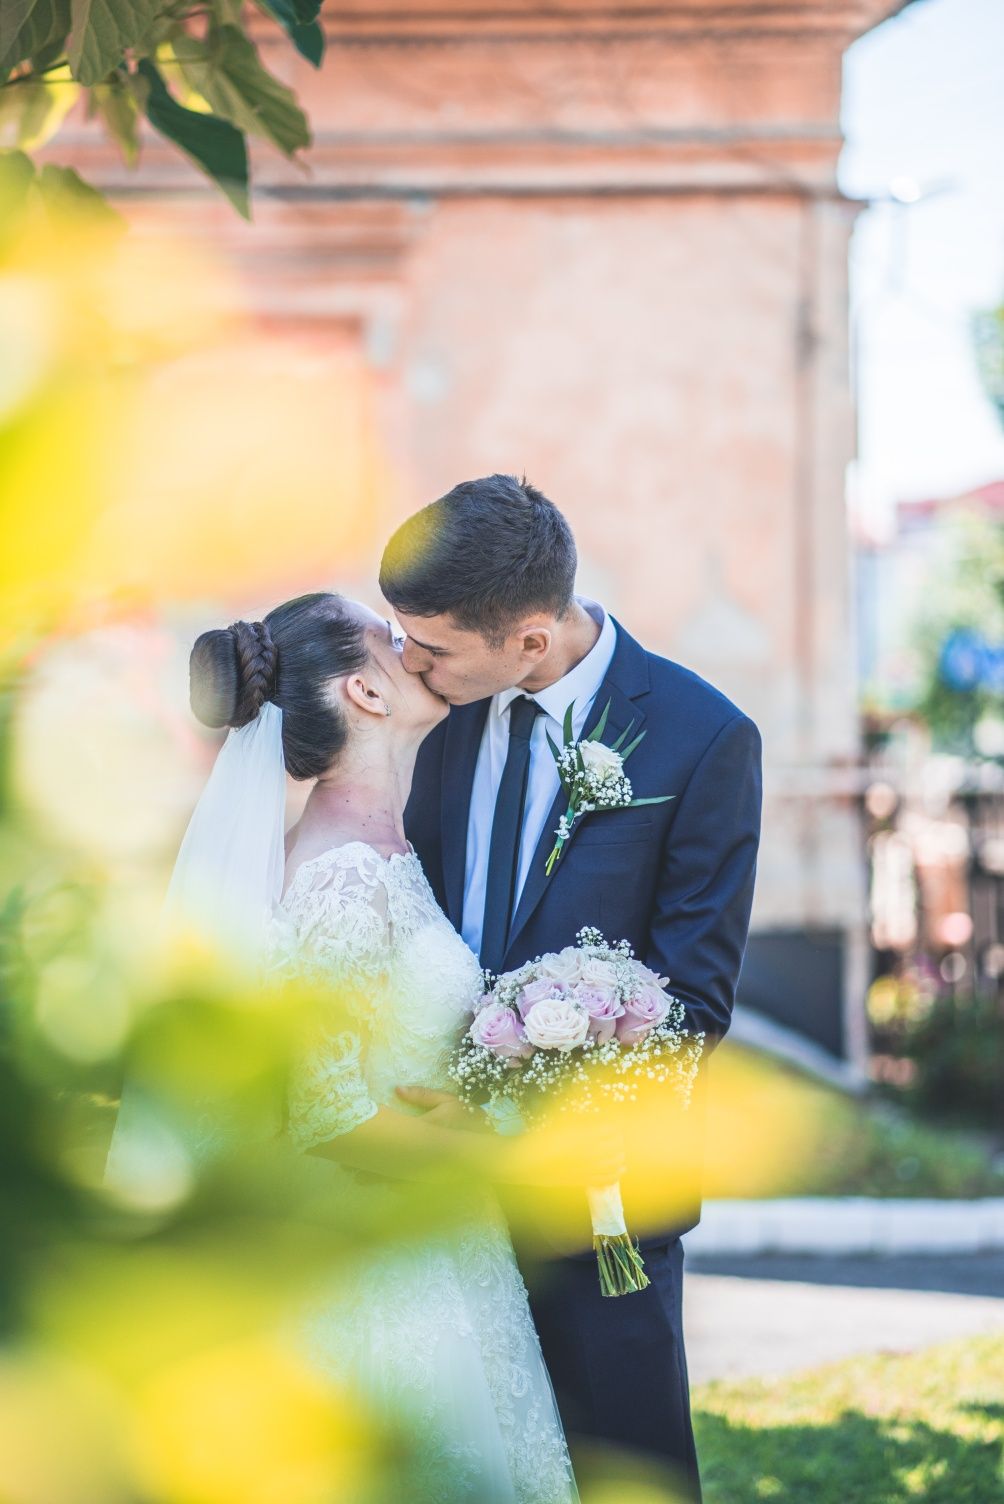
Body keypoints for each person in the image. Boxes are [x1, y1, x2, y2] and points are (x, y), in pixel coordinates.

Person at [109, 593, 582, 1504]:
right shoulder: (341, 880)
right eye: (388, 636)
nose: (412, 648)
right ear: (364, 691)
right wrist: (497, 1151)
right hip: (387, 1282)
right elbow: (328, 1117)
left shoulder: (386, 850)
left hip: (440, 1251)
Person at [380, 474, 763, 1501]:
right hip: (437, 1202)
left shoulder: (701, 737)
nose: (408, 661)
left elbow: (689, 1006)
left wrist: (504, 1101)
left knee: (623, 1469)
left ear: (531, 641)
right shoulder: (436, 716)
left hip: (596, 1195)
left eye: (432, 646)